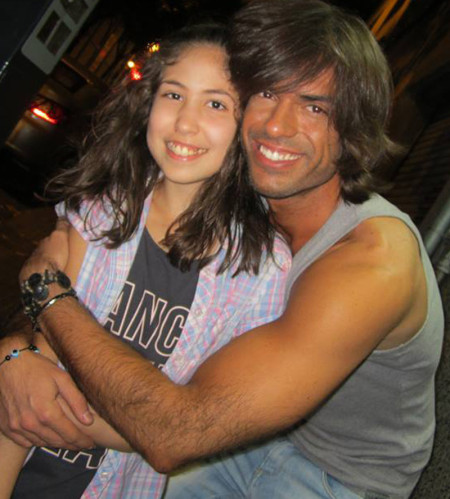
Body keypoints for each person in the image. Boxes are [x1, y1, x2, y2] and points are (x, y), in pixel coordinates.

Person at [0, 0, 444, 498]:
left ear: (354, 128)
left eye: (315, 107)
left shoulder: (371, 262)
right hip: (228, 431)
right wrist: (14, 351)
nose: (276, 127)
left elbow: (174, 434)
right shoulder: (250, 187)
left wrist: (45, 293)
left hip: (333, 477)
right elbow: (82, 264)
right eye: (268, 93)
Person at [0, 22, 290, 499]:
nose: (185, 123)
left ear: (248, 126)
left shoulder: (260, 271)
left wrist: (146, 428)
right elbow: (24, 399)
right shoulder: (98, 215)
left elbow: (193, 431)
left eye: (216, 104)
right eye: (173, 95)